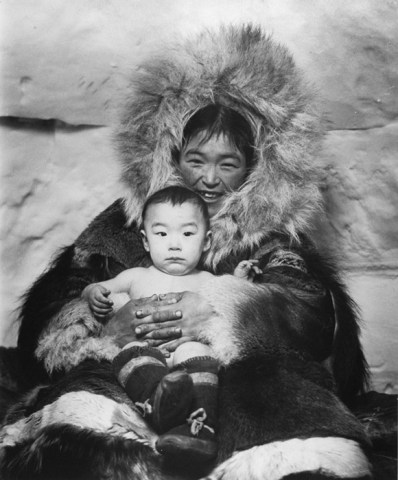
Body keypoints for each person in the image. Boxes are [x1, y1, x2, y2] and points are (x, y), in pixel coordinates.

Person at [0, 25, 377, 480]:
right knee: (88, 419)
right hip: (131, 373)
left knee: (283, 402)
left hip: (233, 387)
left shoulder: (271, 240)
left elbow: (312, 316)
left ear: (256, 169)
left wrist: (225, 311)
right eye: (196, 160)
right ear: (169, 156)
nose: (209, 179)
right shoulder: (127, 225)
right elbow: (57, 307)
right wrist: (102, 323)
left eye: (228, 164)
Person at [82, 185, 259, 460]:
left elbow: (228, 303)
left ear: (207, 241)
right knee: (128, 353)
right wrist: (94, 293)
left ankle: (199, 428)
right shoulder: (135, 276)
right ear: (145, 240)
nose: (174, 244)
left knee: (199, 352)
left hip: (185, 357)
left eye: (188, 233)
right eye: (161, 233)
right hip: (144, 355)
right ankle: (156, 401)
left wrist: (239, 283)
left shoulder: (208, 280)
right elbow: (94, 288)